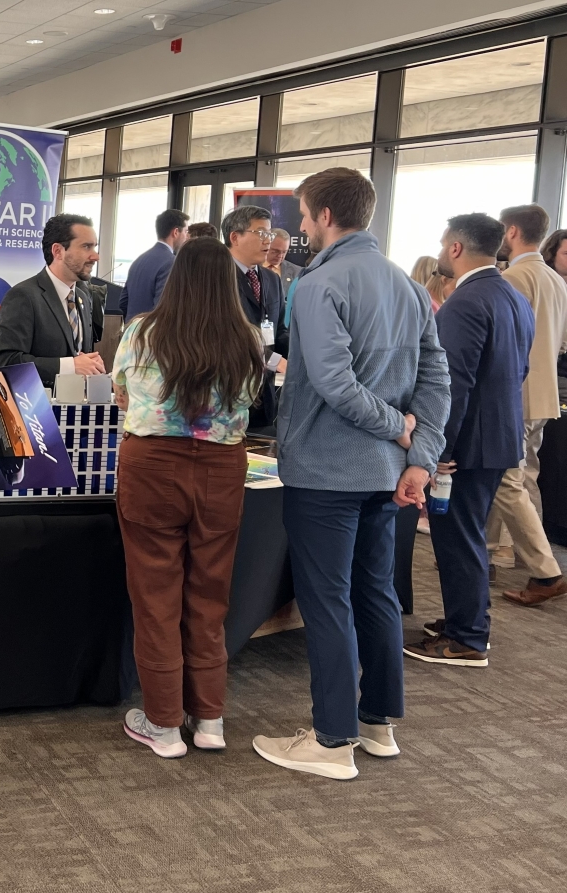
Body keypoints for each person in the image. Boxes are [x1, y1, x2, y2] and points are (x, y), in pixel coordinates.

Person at [252, 168, 450, 781]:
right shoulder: (408, 286)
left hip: (327, 469)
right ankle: (376, 724)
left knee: (328, 599)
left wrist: (399, 429)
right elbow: (437, 382)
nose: (301, 229)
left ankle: (332, 740)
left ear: (326, 218)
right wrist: (418, 458)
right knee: (375, 594)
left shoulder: (316, 284)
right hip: (385, 473)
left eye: (305, 217)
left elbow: (336, 385)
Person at [113, 237, 264, 759]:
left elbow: (123, 396)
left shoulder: (144, 331)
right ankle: (209, 719)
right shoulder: (246, 339)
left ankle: (162, 723)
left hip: (152, 468)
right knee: (209, 595)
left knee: (156, 597)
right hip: (222, 469)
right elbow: (251, 404)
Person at [403, 214, 534, 667]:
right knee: (469, 533)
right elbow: (520, 371)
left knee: (457, 537)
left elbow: (451, 384)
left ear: (456, 248)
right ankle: (469, 616)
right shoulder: (512, 297)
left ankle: (467, 637)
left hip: (466, 447)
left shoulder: (465, 302)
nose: (440, 250)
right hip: (498, 437)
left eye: (443, 242)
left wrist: (438, 449)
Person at [486, 205, 567, 607]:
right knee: (521, 476)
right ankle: (493, 552)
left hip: (514, 396)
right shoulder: (555, 279)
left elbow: (505, 342)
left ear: (512, 230)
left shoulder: (515, 277)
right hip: (545, 396)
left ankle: (545, 570)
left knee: (507, 481)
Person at [0, 214, 106, 387]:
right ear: (58, 251)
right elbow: (7, 362)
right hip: (38, 409)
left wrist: (92, 366)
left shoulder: (83, 297)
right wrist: (70, 366)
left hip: (76, 409)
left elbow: (82, 357)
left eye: (94, 247)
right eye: (86, 247)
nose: (95, 256)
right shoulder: (24, 296)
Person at [222, 205, 286, 430]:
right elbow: (227, 336)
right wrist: (276, 361)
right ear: (235, 237)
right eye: (260, 233)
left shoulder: (271, 279)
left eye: (269, 233)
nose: (267, 240)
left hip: (265, 395)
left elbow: (278, 331)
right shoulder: (217, 277)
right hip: (228, 394)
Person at [122, 208, 189, 319]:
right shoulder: (172, 263)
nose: (187, 237)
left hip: (131, 331)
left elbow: (123, 302)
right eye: (186, 231)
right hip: (152, 333)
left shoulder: (139, 260)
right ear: (176, 232)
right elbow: (163, 307)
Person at [263, 227, 303, 295]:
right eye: (275, 251)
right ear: (266, 245)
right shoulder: (251, 268)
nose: (280, 256)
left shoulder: (298, 273)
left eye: (284, 252)